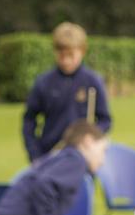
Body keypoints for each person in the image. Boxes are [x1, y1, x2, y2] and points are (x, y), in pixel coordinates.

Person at [21, 22, 112, 163]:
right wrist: (35, 153)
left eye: (71, 55)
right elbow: (29, 120)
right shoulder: (44, 82)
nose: (66, 61)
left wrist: (90, 135)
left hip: (82, 158)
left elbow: (105, 120)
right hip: (49, 156)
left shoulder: (93, 81)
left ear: (82, 51)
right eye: (61, 55)